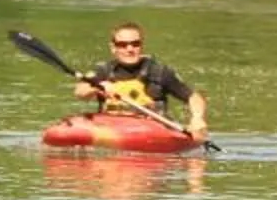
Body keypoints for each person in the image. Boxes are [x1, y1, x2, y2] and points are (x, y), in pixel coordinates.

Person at [80, 24, 208, 137]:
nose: (129, 49)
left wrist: (197, 118)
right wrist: (99, 86)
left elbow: (194, 97)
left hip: (151, 131)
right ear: (113, 47)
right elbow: (81, 92)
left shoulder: (160, 72)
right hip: (111, 130)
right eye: (122, 45)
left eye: (135, 44)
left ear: (142, 45)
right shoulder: (103, 71)